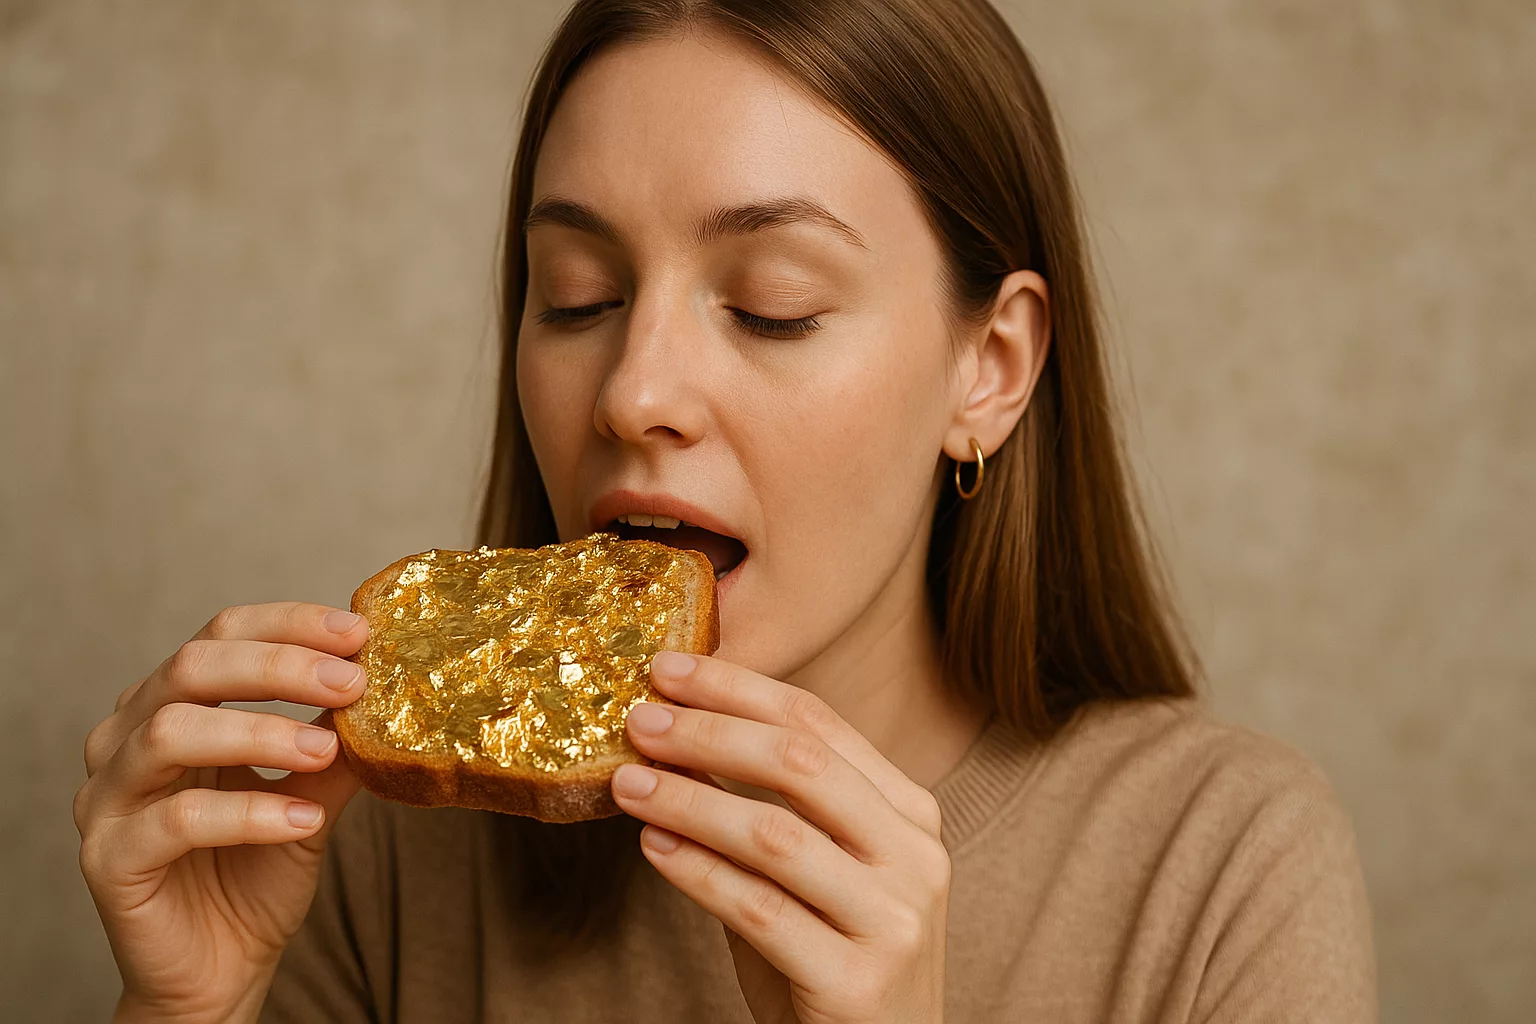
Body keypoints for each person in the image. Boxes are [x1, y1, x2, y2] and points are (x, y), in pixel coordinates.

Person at [74, 1, 1377, 1020]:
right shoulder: (382, 857)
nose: (633, 392)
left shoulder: (1219, 867)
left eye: (771, 304)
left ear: (990, 369)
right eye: (576, 296)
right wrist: (191, 1005)